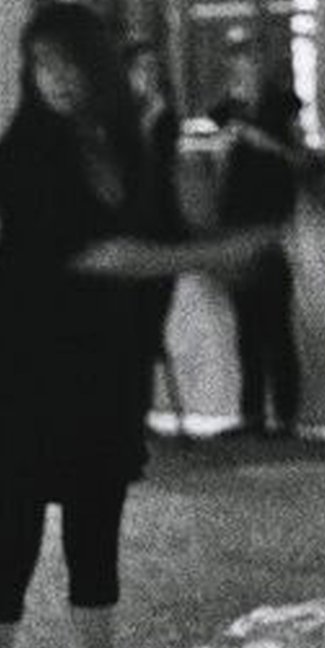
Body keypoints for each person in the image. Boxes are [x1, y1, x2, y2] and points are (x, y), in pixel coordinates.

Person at [0, 0, 283, 648]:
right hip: (23, 366)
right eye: (41, 66)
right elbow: (96, 254)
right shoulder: (31, 151)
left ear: (97, 67)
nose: (56, 81)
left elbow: (160, 228)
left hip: (102, 363)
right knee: (13, 541)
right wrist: (212, 255)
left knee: (95, 536)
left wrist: (215, 235)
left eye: (68, 64)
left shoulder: (130, 141)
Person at [208, 28, 309, 437]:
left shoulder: (282, 106)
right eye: (236, 57)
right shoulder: (225, 108)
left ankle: (285, 415)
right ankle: (251, 413)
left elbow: (298, 159)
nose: (242, 65)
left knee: (276, 320)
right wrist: (224, 150)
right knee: (246, 322)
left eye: (249, 56)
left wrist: (259, 140)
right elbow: (219, 167)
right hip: (237, 219)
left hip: (270, 220)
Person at [123, 37, 191, 438]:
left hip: (159, 227)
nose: (149, 77)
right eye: (141, 69)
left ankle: (141, 408)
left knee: (150, 319)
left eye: (153, 69)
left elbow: (159, 165)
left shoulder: (165, 117)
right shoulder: (122, 115)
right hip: (130, 225)